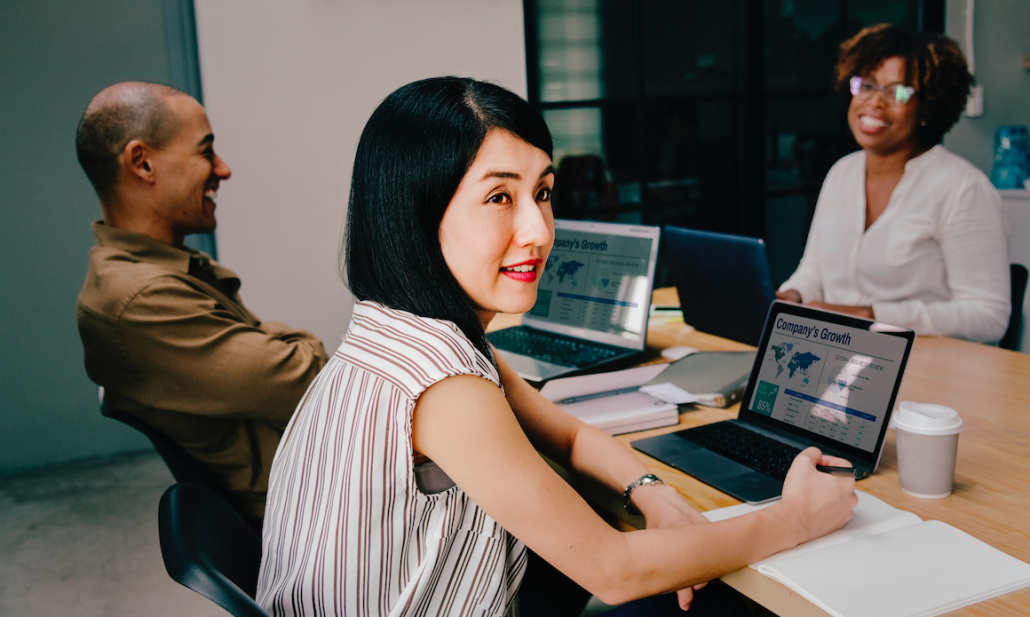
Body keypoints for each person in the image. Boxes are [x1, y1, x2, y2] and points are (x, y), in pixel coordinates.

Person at [255, 77, 857, 617]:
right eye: (499, 198)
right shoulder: (444, 385)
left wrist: (655, 495)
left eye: (542, 192)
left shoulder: (401, 327)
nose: (540, 231)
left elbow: (568, 435)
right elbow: (616, 572)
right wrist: (797, 517)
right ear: (417, 213)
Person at [75, 82, 329, 524]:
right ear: (142, 162)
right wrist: (297, 342)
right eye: (205, 152)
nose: (223, 170)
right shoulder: (140, 298)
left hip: (318, 483)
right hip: (316, 518)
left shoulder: (163, 268)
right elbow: (307, 378)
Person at [777, 25, 1010, 344]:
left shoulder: (963, 188)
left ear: (928, 105)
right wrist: (792, 294)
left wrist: (871, 315)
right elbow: (814, 270)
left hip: (928, 367)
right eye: (867, 85)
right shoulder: (842, 172)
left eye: (897, 92)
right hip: (834, 353)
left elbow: (988, 316)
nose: (874, 103)